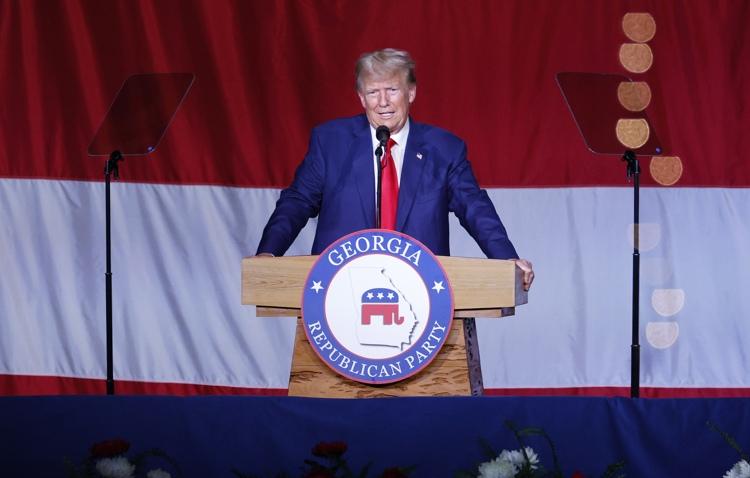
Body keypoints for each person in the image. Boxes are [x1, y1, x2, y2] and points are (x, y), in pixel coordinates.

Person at [256, 48, 534, 290]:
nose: (383, 102)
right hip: (338, 288)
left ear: (411, 92)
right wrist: (269, 253)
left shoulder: (444, 149)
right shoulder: (330, 142)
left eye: (392, 90)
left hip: (422, 291)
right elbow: (297, 202)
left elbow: (475, 208)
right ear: (361, 98)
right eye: (373, 92)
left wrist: (506, 258)